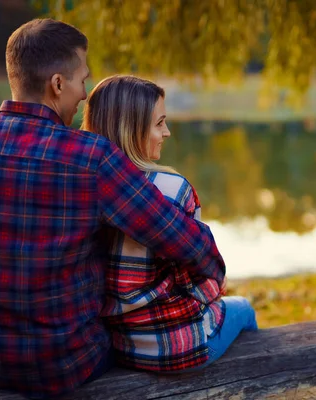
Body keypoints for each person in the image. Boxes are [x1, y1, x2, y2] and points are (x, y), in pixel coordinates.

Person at [0, 19, 226, 399]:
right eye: (81, 80)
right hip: (69, 363)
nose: (86, 94)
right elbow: (186, 243)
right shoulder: (89, 157)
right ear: (58, 84)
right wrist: (212, 270)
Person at [81, 75, 258, 373]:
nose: (168, 132)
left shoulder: (82, 187)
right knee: (244, 309)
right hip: (178, 348)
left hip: (118, 347)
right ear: (132, 129)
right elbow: (199, 284)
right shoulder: (170, 189)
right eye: (159, 123)